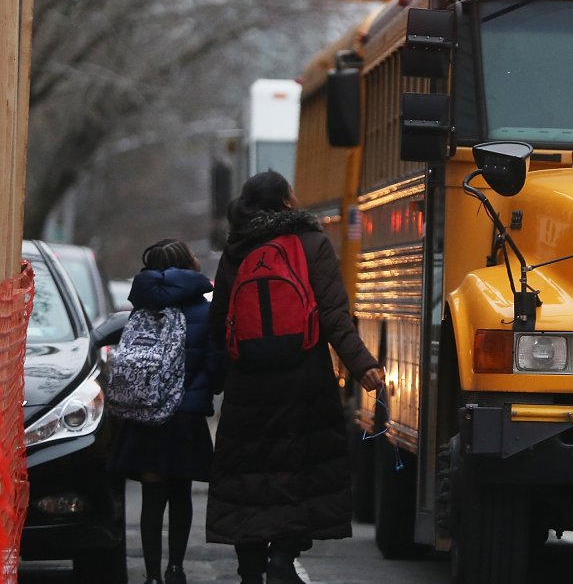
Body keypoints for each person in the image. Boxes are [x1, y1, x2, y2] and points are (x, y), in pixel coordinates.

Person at [206, 170, 385, 584]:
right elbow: (334, 315)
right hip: (302, 380)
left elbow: (219, 323)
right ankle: (283, 560)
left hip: (248, 385)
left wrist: (217, 376)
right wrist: (364, 366)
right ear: (287, 202)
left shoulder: (236, 248)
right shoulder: (311, 243)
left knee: (248, 477)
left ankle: (250, 567)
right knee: (297, 471)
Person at [108, 239, 225, 584]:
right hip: (184, 418)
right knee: (180, 493)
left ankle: (152, 575)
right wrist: (200, 394)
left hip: (144, 414)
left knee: (151, 496)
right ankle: (176, 568)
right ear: (188, 266)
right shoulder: (205, 311)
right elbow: (215, 363)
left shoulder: (140, 310)